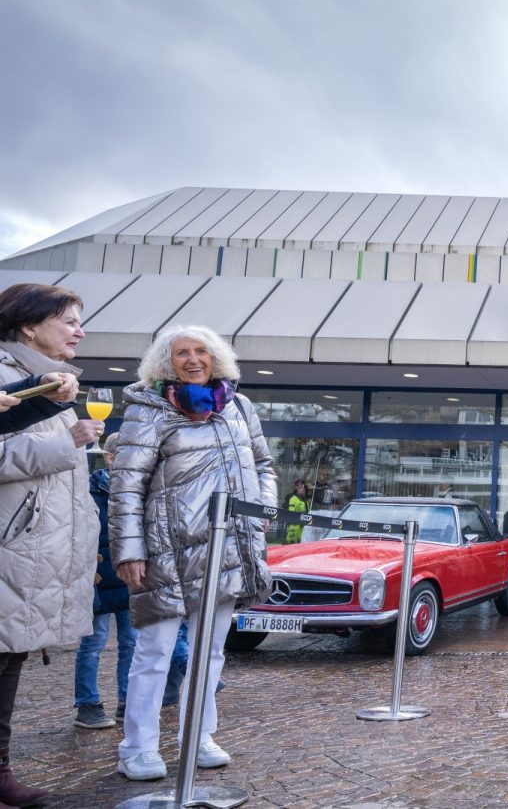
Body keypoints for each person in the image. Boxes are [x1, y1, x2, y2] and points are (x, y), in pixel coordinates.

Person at [110, 325, 276, 781]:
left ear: (216, 357)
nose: (192, 359)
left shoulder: (238, 406)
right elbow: (126, 487)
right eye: (181, 353)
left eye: (201, 351)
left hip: (229, 548)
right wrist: (128, 550)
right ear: (166, 363)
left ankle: (197, 735)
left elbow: (263, 465)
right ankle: (137, 747)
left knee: (212, 652)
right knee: (154, 652)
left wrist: (264, 508)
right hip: (164, 552)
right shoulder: (148, 410)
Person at [0, 282, 100, 808]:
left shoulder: (50, 384)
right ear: (28, 326)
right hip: (9, 547)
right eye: (70, 320)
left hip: (30, 552)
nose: (80, 331)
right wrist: (69, 442)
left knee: (9, 661)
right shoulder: (6, 377)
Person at [74, 433, 136, 730]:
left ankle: (128, 700)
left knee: (131, 643)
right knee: (93, 644)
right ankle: (87, 704)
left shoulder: (137, 492)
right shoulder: (87, 492)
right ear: (110, 458)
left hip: (129, 578)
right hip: (97, 580)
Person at [284, 478, 309, 544]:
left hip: (303, 526)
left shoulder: (306, 501)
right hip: (294, 526)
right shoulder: (292, 498)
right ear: (296, 489)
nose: (303, 489)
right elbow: (291, 512)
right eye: (300, 487)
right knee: (290, 543)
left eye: (303, 487)